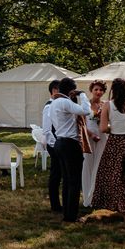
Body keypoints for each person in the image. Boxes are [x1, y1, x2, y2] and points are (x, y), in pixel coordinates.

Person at [92, 78, 125, 225]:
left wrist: (115, 128)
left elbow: (102, 128)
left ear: (113, 91)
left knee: (117, 181)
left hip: (116, 145)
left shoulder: (108, 106)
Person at [50, 77, 91, 223]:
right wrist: (83, 95)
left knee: (66, 180)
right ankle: (71, 216)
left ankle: (67, 213)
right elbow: (86, 111)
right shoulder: (65, 102)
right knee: (74, 181)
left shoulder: (54, 103)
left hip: (59, 142)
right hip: (70, 144)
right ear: (71, 90)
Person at [82, 80, 108, 207]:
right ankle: (88, 197)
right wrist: (91, 135)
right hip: (89, 138)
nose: (98, 92)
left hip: (102, 137)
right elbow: (81, 124)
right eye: (96, 89)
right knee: (88, 165)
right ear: (91, 90)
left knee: (100, 166)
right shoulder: (85, 104)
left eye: (101, 90)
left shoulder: (105, 105)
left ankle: (98, 197)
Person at [42, 79, 64, 212]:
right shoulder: (49, 106)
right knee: (55, 174)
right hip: (54, 144)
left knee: (59, 173)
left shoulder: (58, 105)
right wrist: (55, 146)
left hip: (59, 144)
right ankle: (55, 204)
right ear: (54, 91)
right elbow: (47, 130)